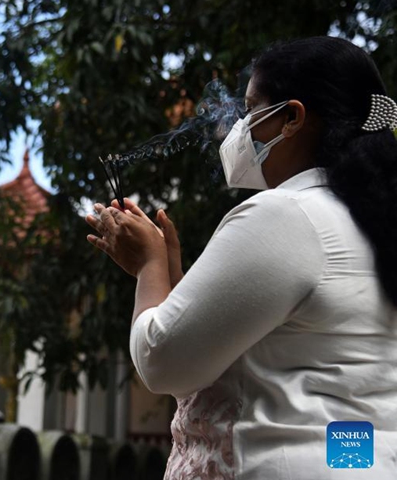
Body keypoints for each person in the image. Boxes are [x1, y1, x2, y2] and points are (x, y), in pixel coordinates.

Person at [86, 36, 397, 479]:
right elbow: (331, 382)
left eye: (252, 112)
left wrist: (148, 267)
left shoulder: (287, 214)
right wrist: (174, 279)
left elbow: (164, 361)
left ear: (292, 117)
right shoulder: (370, 220)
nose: (240, 130)